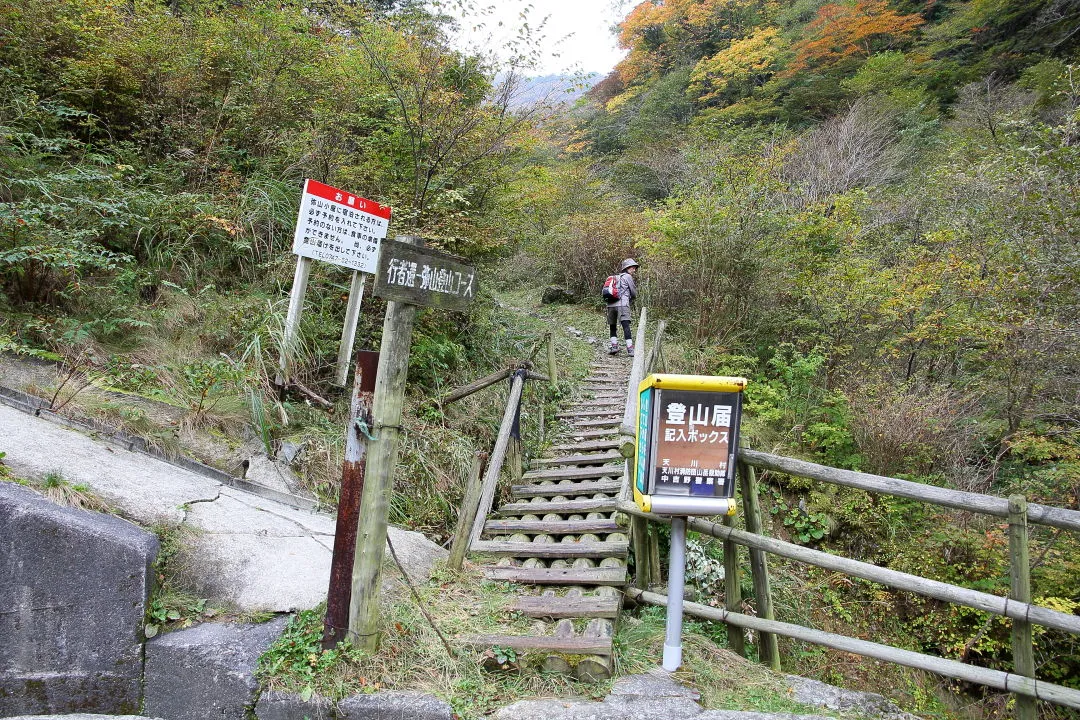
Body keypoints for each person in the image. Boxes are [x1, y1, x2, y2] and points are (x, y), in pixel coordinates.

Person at [606, 258, 638, 356]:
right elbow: (633, 292)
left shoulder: (615, 277)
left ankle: (614, 346)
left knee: (612, 326)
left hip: (611, 305)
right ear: (627, 268)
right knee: (626, 326)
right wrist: (631, 299)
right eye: (632, 268)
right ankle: (630, 349)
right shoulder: (628, 277)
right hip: (622, 305)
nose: (634, 270)